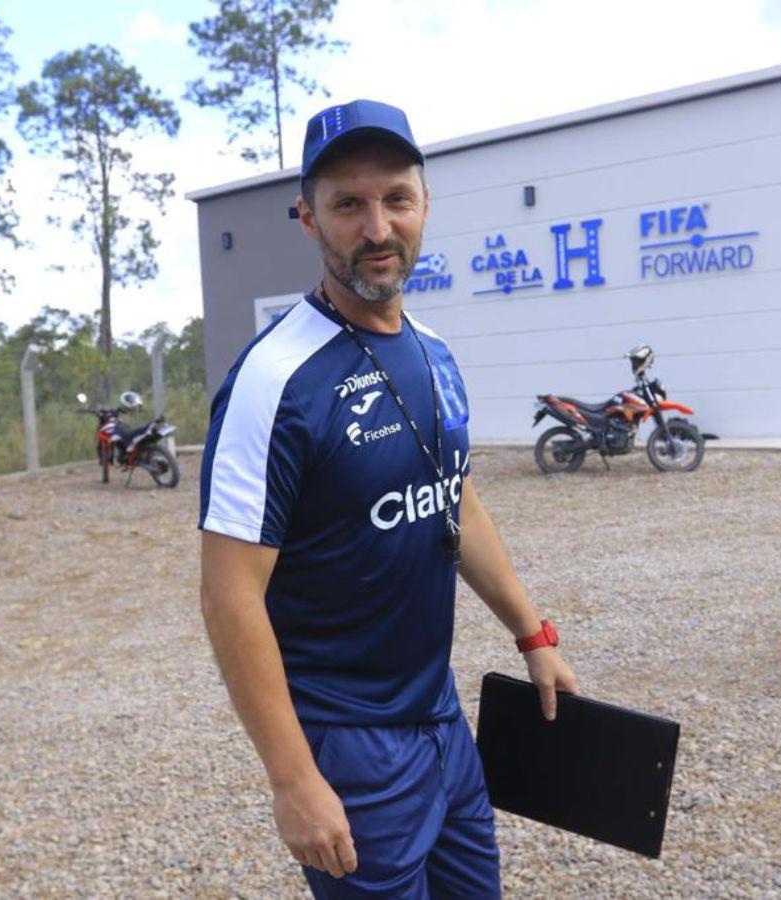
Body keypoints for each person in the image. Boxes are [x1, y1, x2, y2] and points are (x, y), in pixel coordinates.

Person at [197, 99, 579, 897]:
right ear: (308, 219)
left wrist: (530, 632)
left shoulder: (434, 353)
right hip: (349, 745)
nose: (377, 228)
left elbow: (457, 502)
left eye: (396, 199)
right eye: (348, 205)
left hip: (442, 720)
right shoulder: (273, 383)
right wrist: (293, 780)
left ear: (424, 206)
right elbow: (231, 596)